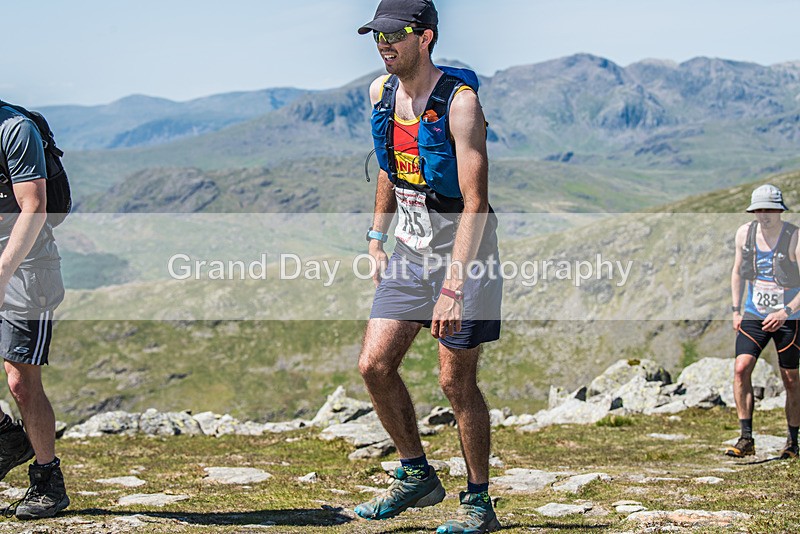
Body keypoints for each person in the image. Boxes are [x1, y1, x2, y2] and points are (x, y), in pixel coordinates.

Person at [355, 1, 502, 532]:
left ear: (426, 37)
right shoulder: (381, 94)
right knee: (374, 365)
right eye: (377, 36)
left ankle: (479, 502)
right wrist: (376, 236)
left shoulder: (460, 104)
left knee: (454, 383)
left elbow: (475, 202)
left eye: (394, 35)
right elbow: (390, 168)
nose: (383, 44)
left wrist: (454, 286)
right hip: (410, 252)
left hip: (463, 255)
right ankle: (416, 474)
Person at [0, 102, 69, 518]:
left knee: (21, 381)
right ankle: (7, 438)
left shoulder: (15, 129)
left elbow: (34, 206)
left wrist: (3, 272)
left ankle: (48, 482)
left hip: (27, 266)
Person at [727, 184, 800, 459]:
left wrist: (784, 312)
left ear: (779, 210)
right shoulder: (745, 234)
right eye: (759, 210)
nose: (764, 215)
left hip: (788, 317)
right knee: (740, 368)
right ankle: (746, 438)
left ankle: (792, 442)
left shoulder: (794, 237)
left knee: (791, 379)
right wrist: (736, 310)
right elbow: (737, 271)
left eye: (769, 209)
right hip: (754, 312)